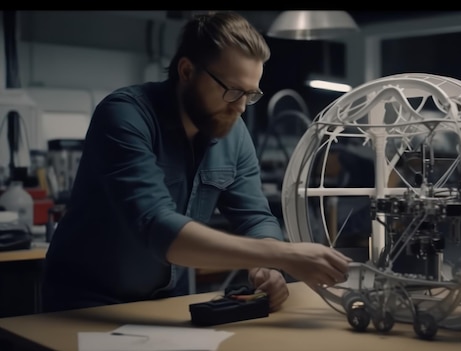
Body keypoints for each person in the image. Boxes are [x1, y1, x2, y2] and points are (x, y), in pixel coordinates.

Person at [41, 11, 351, 313]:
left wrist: (266, 265)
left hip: (167, 303)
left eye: (250, 94)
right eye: (232, 91)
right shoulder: (125, 116)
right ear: (187, 71)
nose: (241, 107)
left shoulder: (233, 130)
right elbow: (158, 227)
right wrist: (284, 254)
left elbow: (255, 217)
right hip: (86, 305)